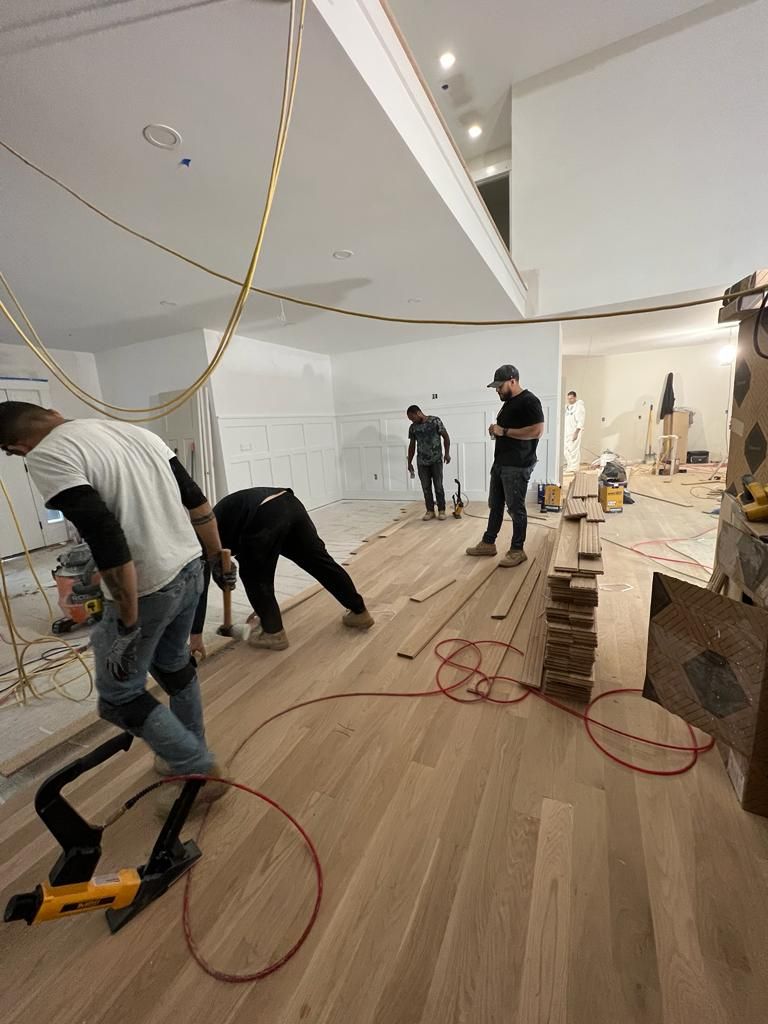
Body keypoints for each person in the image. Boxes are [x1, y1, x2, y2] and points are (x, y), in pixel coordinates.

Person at [0, 401, 236, 812]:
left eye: (10, 452)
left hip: (148, 587)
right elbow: (198, 503)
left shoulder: (48, 455)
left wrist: (127, 624)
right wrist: (218, 557)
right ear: (53, 411)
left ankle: (197, 767)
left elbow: (107, 537)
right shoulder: (134, 432)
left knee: (118, 696)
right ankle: (188, 753)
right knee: (174, 665)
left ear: (17, 446)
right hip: (188, 568)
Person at [192, 486, 374, 651]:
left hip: (263, 513)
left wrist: (196, 634)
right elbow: (221, 563)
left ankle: (273, 633)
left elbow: (199, 587)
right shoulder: (213, 524)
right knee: (320, 563)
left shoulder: (198, 541)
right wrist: (224, 574)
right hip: (288, 502)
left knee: (254, 576)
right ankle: (359, 612)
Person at [466, 364, 544, 567]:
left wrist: (505, 431)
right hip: (501, 463)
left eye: (500, 387)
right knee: (495, 505)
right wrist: (496, 430)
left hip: (517, 465)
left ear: (513, 381)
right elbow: (507, 429)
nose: (497, 391)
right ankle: (488, 543)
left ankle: (518, 550)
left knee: (516, 509)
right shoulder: (509, 402)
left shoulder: (529, 400)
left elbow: (537, 430)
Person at [406, 406, 451, 521]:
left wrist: (447, 454)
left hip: (436, 460)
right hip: (421, 462)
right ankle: (430, 511)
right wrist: (409, 462)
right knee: (426, 487)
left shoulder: (435, 421)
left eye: (412, 418)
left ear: (418, 413)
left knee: (438, 486)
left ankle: (441, 510)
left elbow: (446, 437)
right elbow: (412, 445)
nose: (412, 421)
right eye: (410, 419)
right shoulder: (413, 427)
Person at [564, 390, 586, 473]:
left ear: (575, 398)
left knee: (574, 450)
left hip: (575, 431)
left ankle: (574, 467)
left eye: (571, 398)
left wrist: (576, 433)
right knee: (566, 450)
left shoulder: (579, 407)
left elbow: (580, 420)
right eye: (568, 399)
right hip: (567, 431)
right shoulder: (568, 407)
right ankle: (570, 465)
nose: (570, 400)